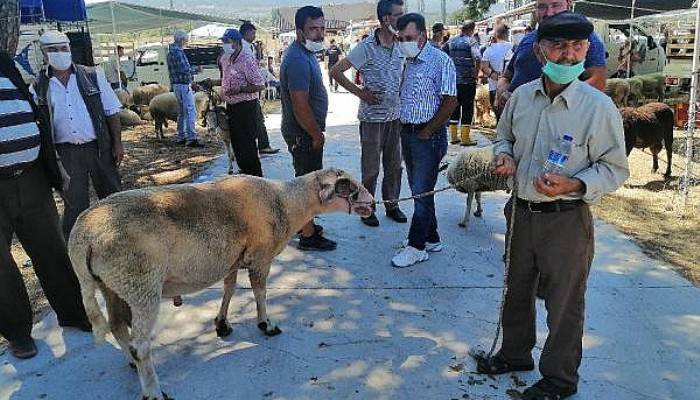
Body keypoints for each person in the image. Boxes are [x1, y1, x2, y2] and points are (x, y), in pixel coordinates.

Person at [478, 13, 629, 400]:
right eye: (559, 47)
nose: (568, 56)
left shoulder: (598, 108)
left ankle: (560, 378)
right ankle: (514, 355)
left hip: (566, 220)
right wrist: (503, 157)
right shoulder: (523, 97)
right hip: (521, 212)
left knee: (564, 302)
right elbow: (503, 138)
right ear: (539, 50)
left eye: (577, 48)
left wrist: (576, 183)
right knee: (516, 289)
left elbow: (614, 168)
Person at [0, 42, 91, 360]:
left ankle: (74, 312)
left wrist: (54, 166)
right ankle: (18, 333)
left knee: (52, 248)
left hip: (31, 176)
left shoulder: (7, 66)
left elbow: (36, 116)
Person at [31, 31, 123, 239]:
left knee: (113, 195)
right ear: (44, 54)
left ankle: (122, 237)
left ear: (70, 49)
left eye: (63, 48)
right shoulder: (38, 86)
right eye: (53, 50)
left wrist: (117, 143)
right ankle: (76, 248)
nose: (59, 53)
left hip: (99, 146)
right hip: (66, 152)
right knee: (75, 203)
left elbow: (112, 111)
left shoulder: (91, 76)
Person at [330, 0, 407, 228]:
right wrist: (360, 93)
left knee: (394, 166)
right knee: (371, 168)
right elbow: (336, 71)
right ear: (386, 19)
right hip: (372, 119)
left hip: (395, 117)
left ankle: (392, 205)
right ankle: (367, 207)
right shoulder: (366, 47)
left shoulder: (402, 44)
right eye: (398, 15)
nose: (402, 19)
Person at [391, 13, 457, 268]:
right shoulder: (407, 60)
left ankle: (416, 246)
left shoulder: (441, 61)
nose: (403, 42)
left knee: (421, 190)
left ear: (422, 36)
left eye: (408, 38)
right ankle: (432, 237)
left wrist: (428, 131)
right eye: (400, 38)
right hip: (408, 133)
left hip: (428, 136)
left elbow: (450, 100)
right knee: (421, 189)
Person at [280, 6, 337, 251]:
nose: (319, 33)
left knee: (309, 181)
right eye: (313, 28)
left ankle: (306, 225)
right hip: (302, 133)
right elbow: (300, 105)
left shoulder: (306, 54)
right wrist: (315, 134)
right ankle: (307, 235)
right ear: (300, 31)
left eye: (322, 28)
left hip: (306, 131)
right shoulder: (297, 60)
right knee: (306, 186)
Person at [495, 0, 607, 114]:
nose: (548, 12)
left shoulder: (583, 37)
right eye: (542, 7)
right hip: (515, 116)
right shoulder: (527, 39)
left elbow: (598, 82)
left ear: (568, 4)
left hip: (554, 119)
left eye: (555, 5)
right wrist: (502, 90)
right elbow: (506, 76)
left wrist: (549, 104)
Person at [219, 28, 265, 177]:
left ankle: (256, 179)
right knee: (237, 143)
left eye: (227, 42)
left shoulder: (246, 60)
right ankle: (244, 175)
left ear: (237, 43)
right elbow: (225, 79)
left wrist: (240, 89)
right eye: (223, 42)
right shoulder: (225, 59)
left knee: (248, 145)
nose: (224, 45)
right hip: (232, 107)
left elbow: (260, 85)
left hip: (246, 107)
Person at [240, 21, 280, 155]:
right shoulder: (243, 48)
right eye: (252, 33)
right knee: (257, 118)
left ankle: (261, 145)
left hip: (251, 89)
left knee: (256, 118)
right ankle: (262, 145)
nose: (254, 36)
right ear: (245, 33)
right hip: (249, 89)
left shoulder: (248, 47)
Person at [444, 21, 481, 146]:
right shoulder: (471, 41)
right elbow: (477, 58)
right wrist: (475, 74)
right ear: (471, 29)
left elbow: (444, 56)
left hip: (454, 81)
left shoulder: (451, 41)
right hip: (467, 81)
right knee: (467, 107)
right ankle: (465, 139)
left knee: (454, 107)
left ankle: (453, 137)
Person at [167, 30, 203, 147]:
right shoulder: (178, 52)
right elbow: (184, 69)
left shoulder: (170, 52)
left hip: (176, 85)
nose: (186, 42)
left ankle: (181, 136)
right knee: (190, 110)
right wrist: (196, 70)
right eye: (186, 40)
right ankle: (191, 138)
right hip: (183, 85)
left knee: (182, 111)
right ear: (182, 40)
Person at [480, 24, 512, 122]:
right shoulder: (513, 47)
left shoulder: (489, 50)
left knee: (499, 117)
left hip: (493, 87)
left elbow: (484, 67)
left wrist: (495, 76)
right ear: (507, 34)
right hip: (510, 88)